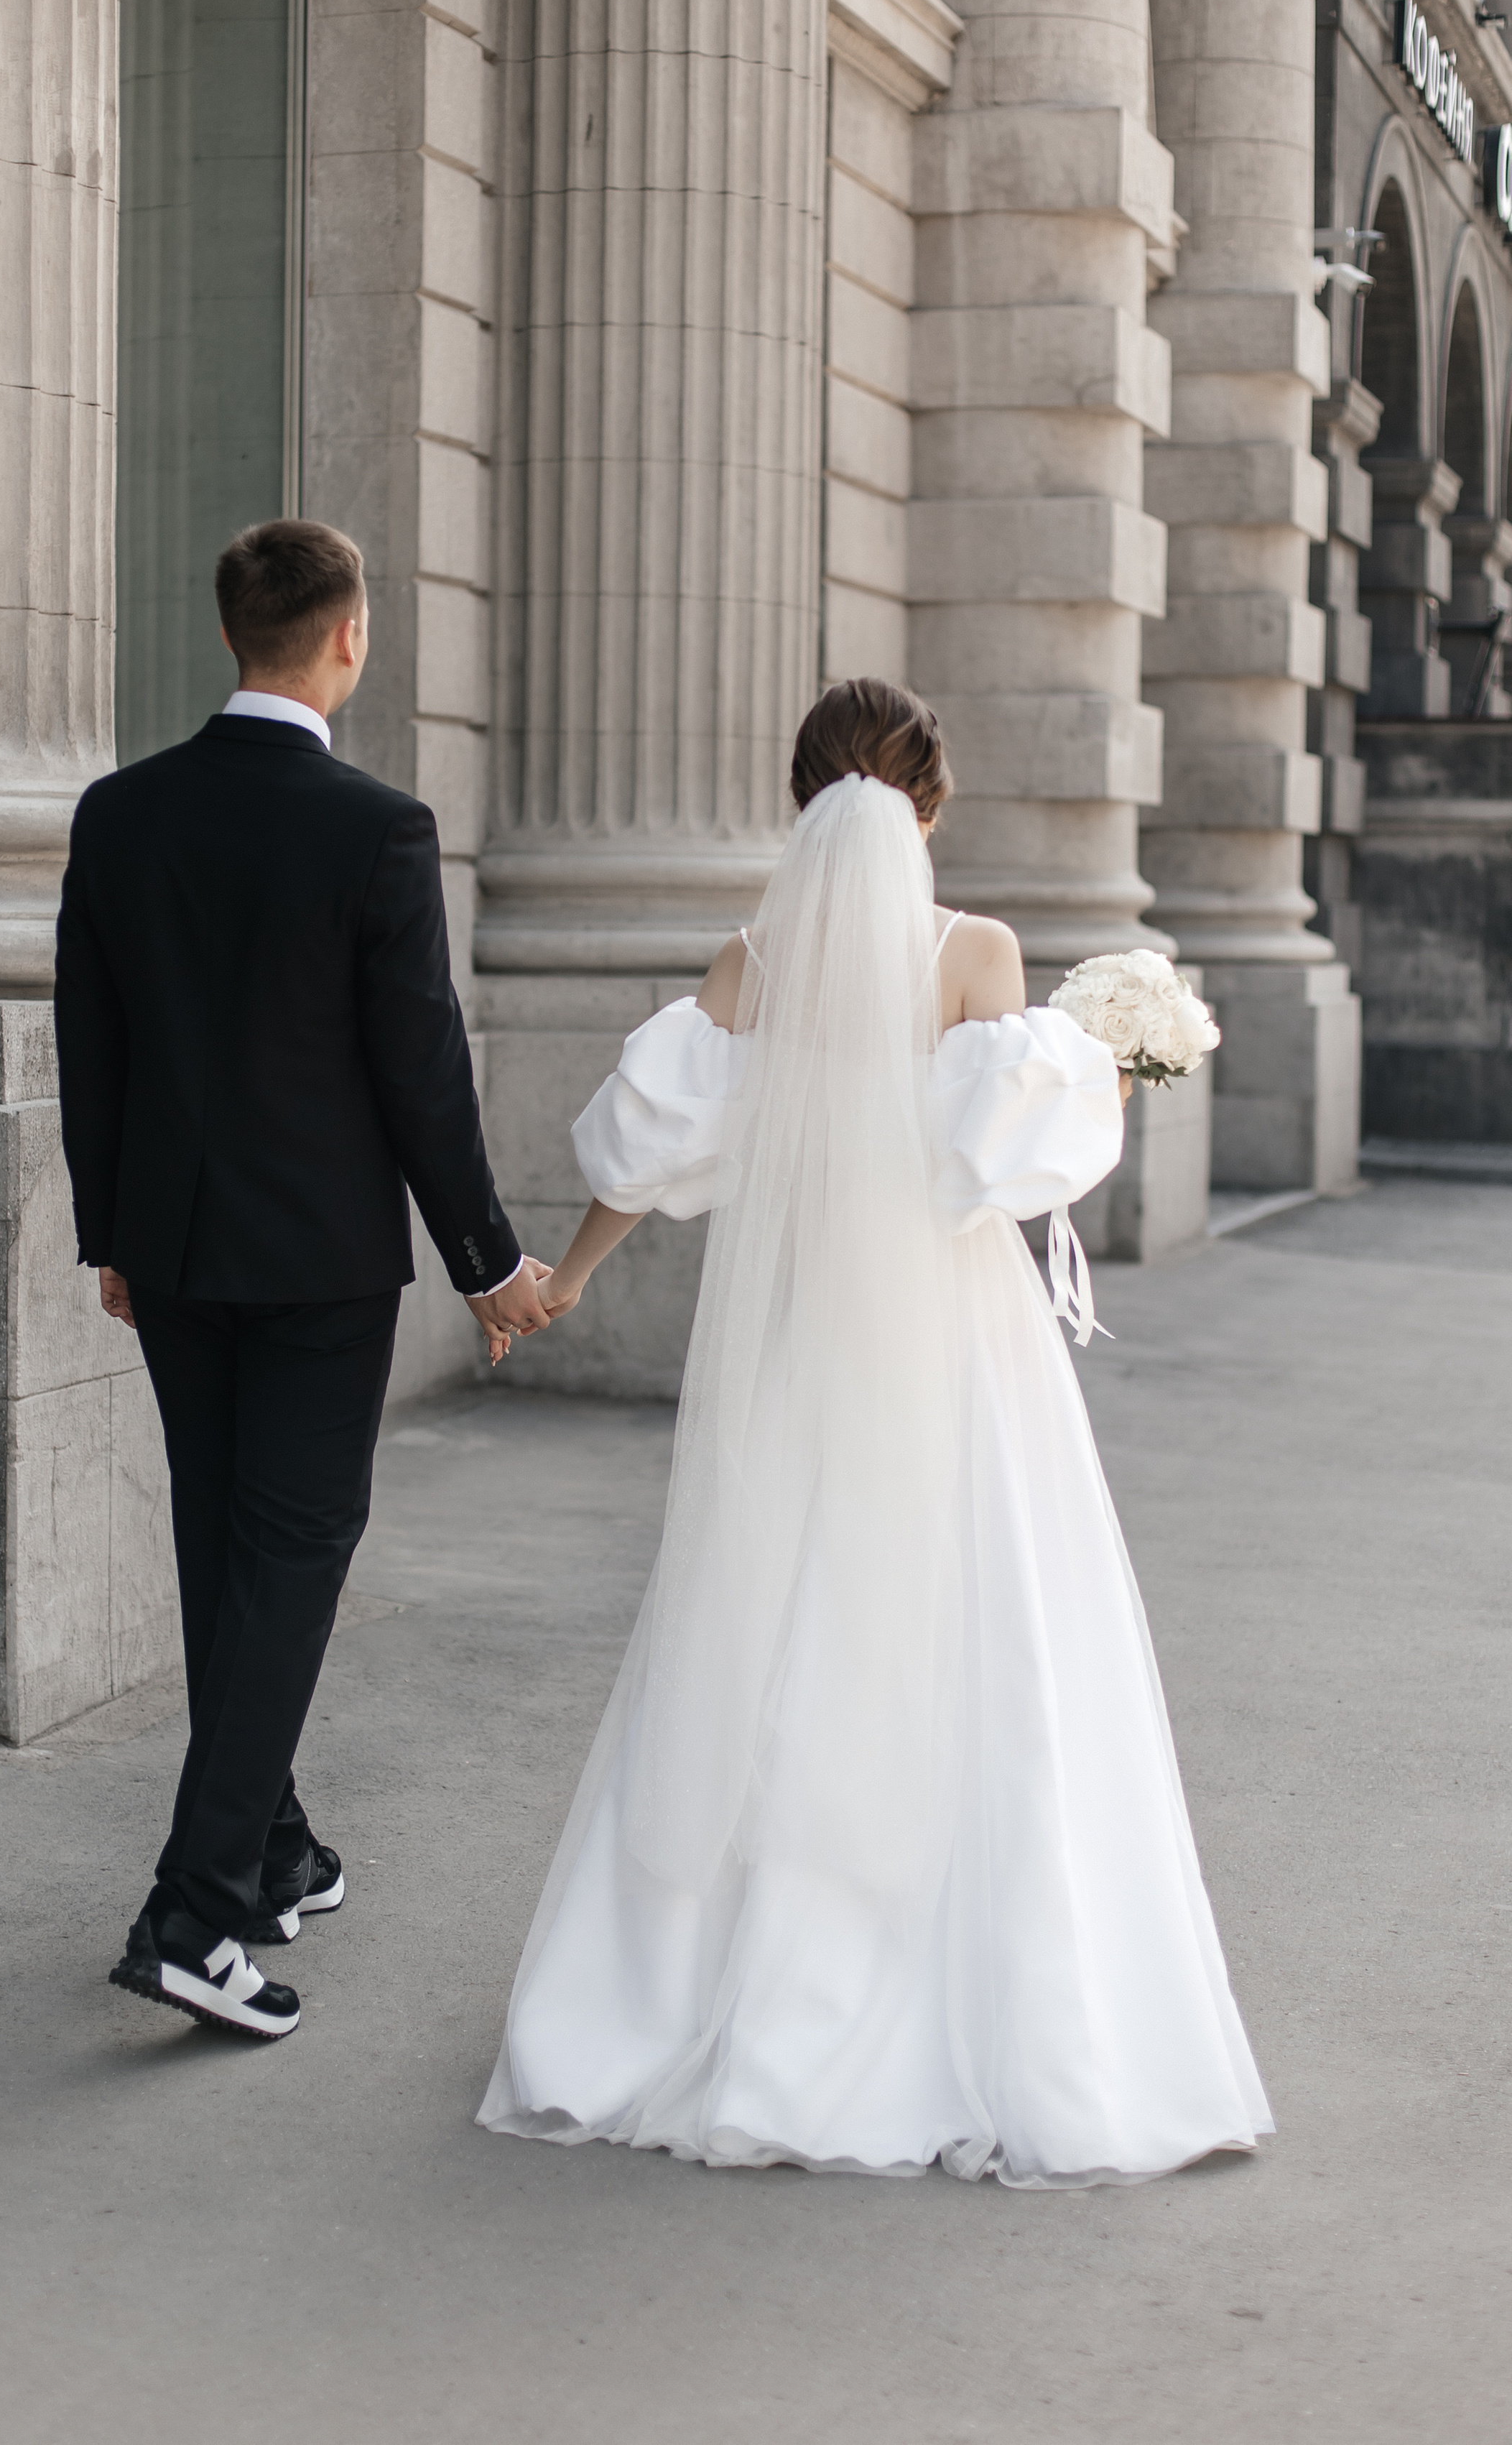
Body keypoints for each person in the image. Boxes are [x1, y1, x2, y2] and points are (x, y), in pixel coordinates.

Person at [477, 677, 1272, 2185]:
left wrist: (558, 1279)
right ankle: (988, 2005)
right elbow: (1013, 1168)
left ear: (799, 800)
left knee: (776, 1615)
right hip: (955, 1343)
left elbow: (646, 1145)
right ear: (928, 802)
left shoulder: (748, 965)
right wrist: (1103, 1069)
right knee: (981, 1624)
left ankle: (716, 1991)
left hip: (801, 1337)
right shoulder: (971, 952)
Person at [55, 517, 552, 2040]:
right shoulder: (377, 827)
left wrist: (113, 1237)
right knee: (287, 1552)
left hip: (180, 1252)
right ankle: (196, 1911)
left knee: (227, 1548)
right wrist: (487, 1259)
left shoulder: (121, 811)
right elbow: (420, 1068)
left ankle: (269, 1845)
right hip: (320, 1264)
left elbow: (93, 1037)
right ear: (347, 637)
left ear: (231, 636)